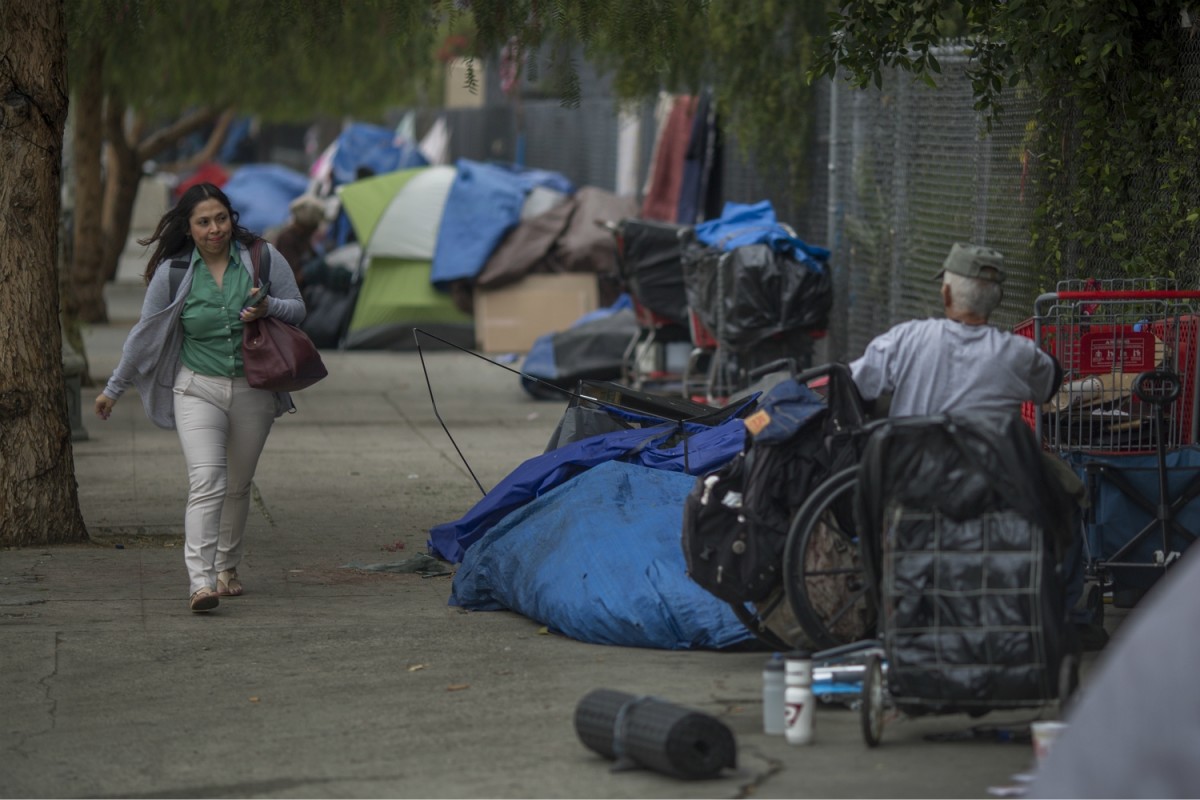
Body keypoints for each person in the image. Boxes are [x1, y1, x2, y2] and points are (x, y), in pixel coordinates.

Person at [849, 242, 1103, 646]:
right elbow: (1050, 382)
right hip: (993, 486)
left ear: (946, 293)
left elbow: (856, 386)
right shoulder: (1016, 354)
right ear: (997, 299)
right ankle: (1069, 615)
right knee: (1069, 492)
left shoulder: (905, 340)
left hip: (911, 479)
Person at [93, 183, 306, 613]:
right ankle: (200, 581)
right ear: (188, 228)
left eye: (221, 219)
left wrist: (268, 310)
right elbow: (144, 334)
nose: (215, 229)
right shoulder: (174, 272)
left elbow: (298, 308)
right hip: (196, 388)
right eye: (204, 222)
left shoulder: (262, 257)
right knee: (208, 481)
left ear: (232, 218)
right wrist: (113, 388)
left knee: (238, 484)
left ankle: (227, 568)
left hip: (254, 388)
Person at [273, 194, 324, 287]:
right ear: (305, 226)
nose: (315, 230)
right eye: (313, 227)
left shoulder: (303, 238)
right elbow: (293, 278)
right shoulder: (287, 239)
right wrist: (310, 271)